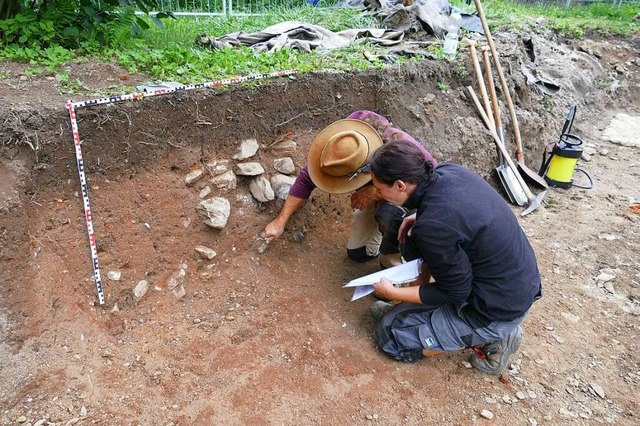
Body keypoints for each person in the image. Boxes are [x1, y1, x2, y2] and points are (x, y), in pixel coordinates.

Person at [366, 140, 542, 375]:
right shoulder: (447, 172)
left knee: (389, 338)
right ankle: (412, 314)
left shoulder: (435, 226)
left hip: (493, 309)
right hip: (509, 283)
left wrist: (393, 293)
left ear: (399, 185)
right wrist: (421, 215)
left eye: (379, 189)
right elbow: (458, 214)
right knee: (412, 234)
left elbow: (454, 292)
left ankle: (495, 337)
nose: (376, 193)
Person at [261, 110, 437, 268]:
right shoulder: (345, 142)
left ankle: (393, 264)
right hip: (380, 188)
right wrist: (279, 222)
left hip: (405, 197)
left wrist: (375, 193)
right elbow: (306, 179)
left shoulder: (405, 154)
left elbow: (431, 190)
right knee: (358, 254)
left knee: (389, 215)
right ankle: (379, 238)